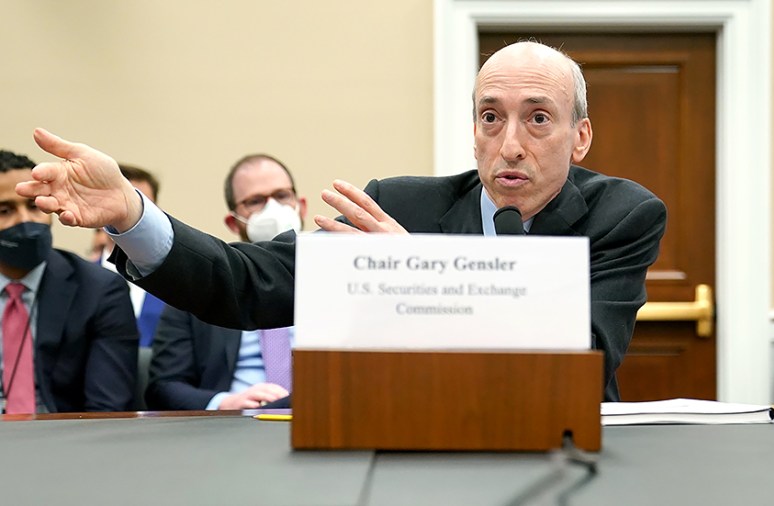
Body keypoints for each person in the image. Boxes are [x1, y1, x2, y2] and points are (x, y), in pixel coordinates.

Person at [17, 41, 667, 401]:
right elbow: (246, 283)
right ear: (473, 131)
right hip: (408, 454)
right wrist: (132, 212)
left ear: (580, 138)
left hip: (562, 455)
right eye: (491, 117)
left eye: (539, 117)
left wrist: (420, 270)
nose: (512, 142)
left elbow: (581, 354)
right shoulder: (399, 206)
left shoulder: (622, 214)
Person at [147, 154, 306, 410]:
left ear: (302, 206)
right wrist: (224, 403)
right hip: (234, 425)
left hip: (320, 415)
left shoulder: (335, 279)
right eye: (255, 201)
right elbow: (164, 386)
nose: (273, 208)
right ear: (233, 221)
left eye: (282, 196)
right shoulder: (196, 288)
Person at [0, 149, 137, 413]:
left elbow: (107, 408)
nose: (26, 221)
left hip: (64, 442)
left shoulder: (100, 291)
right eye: (5, 210)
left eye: (34, 205)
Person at [90, 164, 164, 347]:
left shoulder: (177, 284)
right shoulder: (80, 281)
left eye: (143, 206)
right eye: (125, 204)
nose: (133, 215)